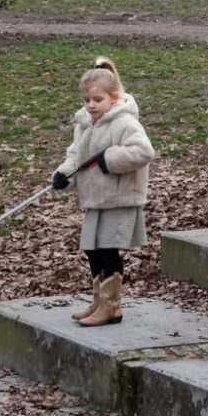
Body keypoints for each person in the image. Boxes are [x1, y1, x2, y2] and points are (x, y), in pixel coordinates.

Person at [53, 56, 155, 326]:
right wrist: (64, 174)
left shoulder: (125, 122)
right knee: (92, 250)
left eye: (97, 100)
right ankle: (100, 302)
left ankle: (111, 307)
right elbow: (75, 155)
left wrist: (108, 159)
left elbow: (144, 152)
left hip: (118, 198)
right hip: (94, 198)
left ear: (114, 97)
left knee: (108, 250)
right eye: (87, 100)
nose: (91, 106)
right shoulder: (85, 123)